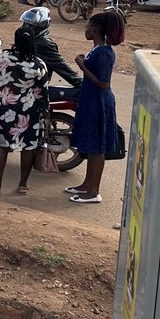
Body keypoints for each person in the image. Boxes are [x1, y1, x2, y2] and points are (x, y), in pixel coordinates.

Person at [0, 27, 48, 196]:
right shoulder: (38, 64)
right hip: (27, 111)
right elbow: (42, 93)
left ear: (15, 40)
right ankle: (23, 185)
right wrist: (45, 114)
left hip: (2, 110)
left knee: (1, 146)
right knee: (28, 147)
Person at [66, 11, 126, 204]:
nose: (85, 30)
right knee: (92, 146)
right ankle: (86, 184)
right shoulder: (97, 49)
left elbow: (102, 83)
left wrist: (81, 65)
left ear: (96, 29)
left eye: (87, 26)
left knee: (98, 148)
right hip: (91, 101)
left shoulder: (104, 53)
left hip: (99, 102)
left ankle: (94, 191)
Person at [19, 6, 83, 98]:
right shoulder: (43, 44)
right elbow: (61, 67)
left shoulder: (22, 39)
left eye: (31, 25)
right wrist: (82, 83)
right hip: (34, 90)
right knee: (80, 92)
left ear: (42, 26)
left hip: (18, 88)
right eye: (26, 24)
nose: (27, 27)